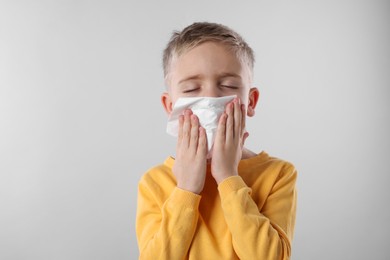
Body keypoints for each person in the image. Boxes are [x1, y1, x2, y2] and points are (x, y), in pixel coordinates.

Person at [136, 22, 297, 260]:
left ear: (250, 102)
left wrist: (228, 177)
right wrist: (186, 189)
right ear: (171, 106)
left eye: (228, 86)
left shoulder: (278, 174)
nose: (211, 97)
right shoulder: (155, 182)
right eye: (191, 89)